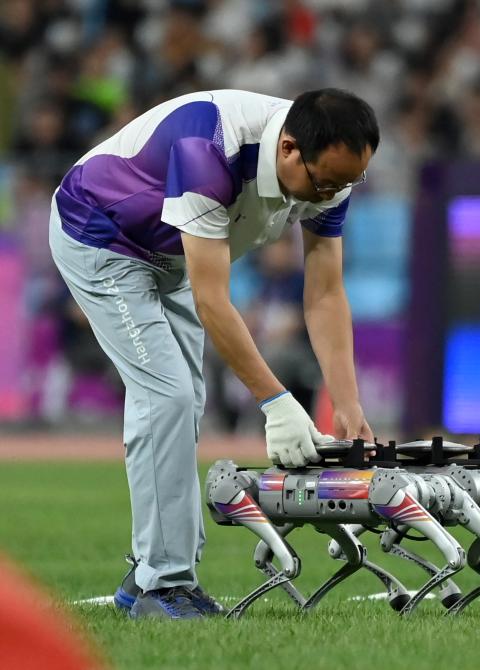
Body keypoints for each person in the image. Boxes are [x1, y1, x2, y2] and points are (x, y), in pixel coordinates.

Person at [48, 88, 378, 619]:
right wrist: (276, 402)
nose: (331, 196)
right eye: (325, 184)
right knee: (167, 396)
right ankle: (163, 585)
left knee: (184, 400)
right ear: (288, 149)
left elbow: (324, 294)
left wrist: (347, 402)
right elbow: (212, 301)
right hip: (101, 235)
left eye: (347, 184)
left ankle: (150, 573)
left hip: (170, 254)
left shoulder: (328, 169)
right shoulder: (210, 147)